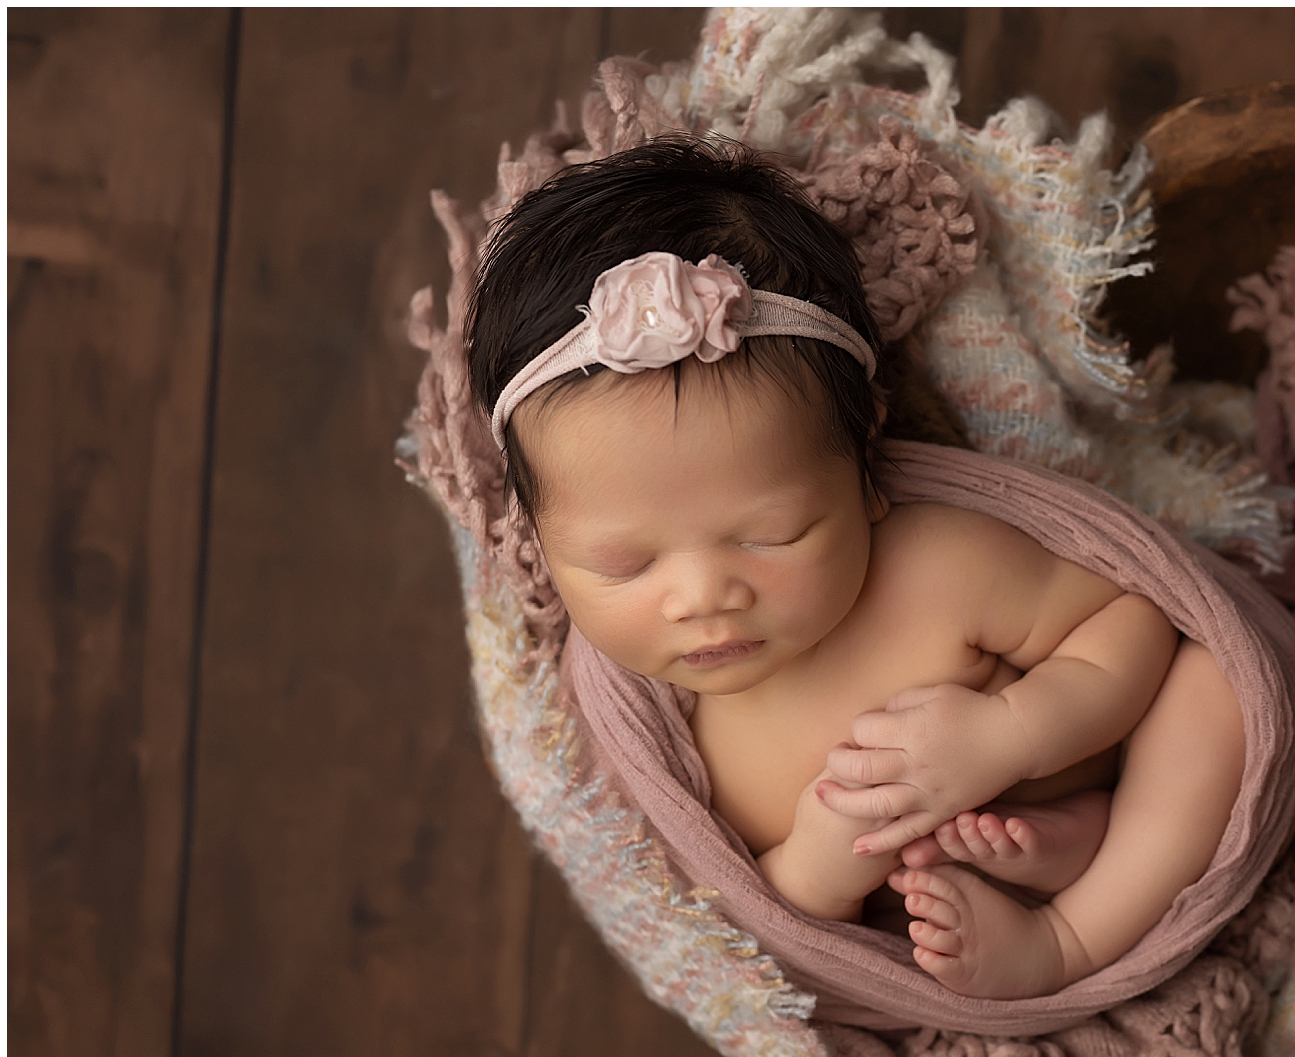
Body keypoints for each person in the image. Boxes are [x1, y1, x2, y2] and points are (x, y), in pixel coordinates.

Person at [468, 136, 1244, 1001]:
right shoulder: (641, 731)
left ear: (862, 461)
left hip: (1111, 796)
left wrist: (1012, 735)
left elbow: (1129, 623)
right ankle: (1045, 866)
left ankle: (1071, 936)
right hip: (926, 912)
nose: (702, 598)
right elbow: (728, 929)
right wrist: (812, 870)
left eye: (772, 535)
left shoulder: (935, 566)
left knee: (1212, 688)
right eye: (622, 564)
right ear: (534, 534)